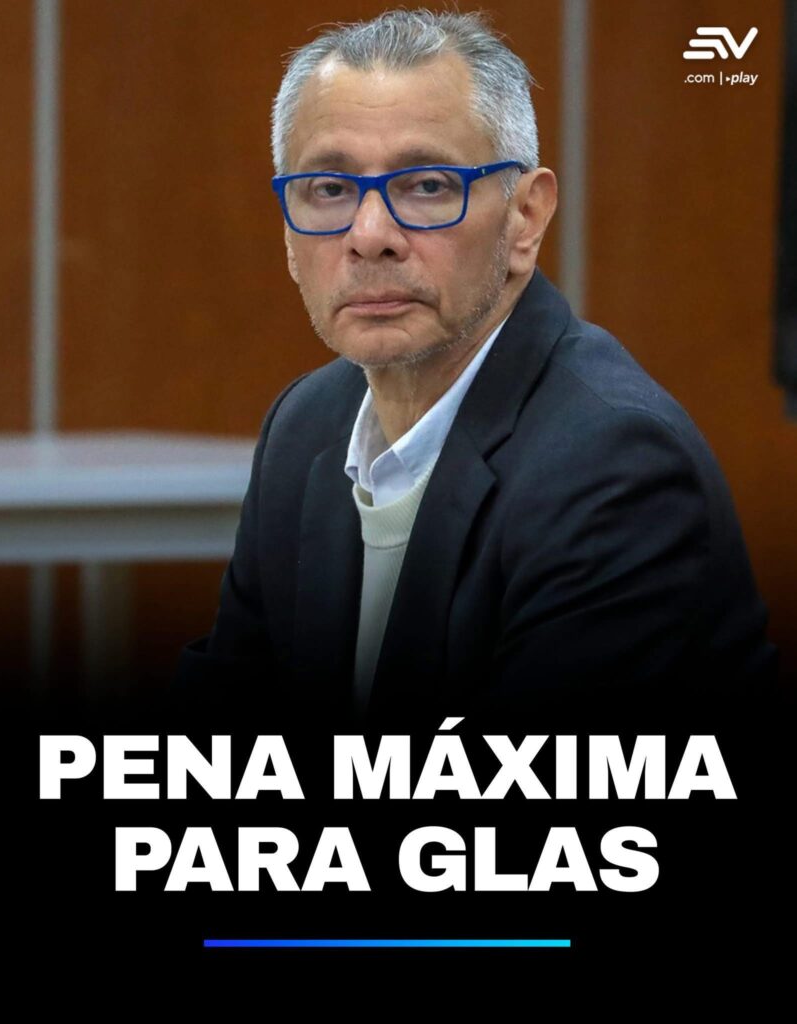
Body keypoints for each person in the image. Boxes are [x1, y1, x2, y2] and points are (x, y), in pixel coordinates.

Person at [177, 9, 775, 724]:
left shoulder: (614, 465)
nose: (370, 235)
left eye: (427, 186)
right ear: (287, 230)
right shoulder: (305, 426)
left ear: (525, 217)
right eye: (330, 190)